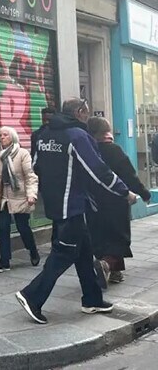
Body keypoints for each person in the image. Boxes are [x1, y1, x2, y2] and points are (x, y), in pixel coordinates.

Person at [15, 98, 138, 324]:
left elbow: (36, 166)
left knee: (83, 251)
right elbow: (99, 171)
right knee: (63, 254)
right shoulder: (77, 136)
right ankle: (32, 296)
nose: (88, 118)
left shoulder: (43, 135)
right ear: (79, 112)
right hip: (72, 205)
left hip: (56, 203)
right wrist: (125, 192)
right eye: (87, 112)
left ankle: (92, 299)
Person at [87, 116, 151, 284]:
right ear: (106, 132)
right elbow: (129, 175)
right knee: (118, 238)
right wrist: (144, 192)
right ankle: (107, 265)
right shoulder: (113, 150)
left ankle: (114, 272)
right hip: (115, 201)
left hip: (92, 201)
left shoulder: (87, 151)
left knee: (100, 235)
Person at [0, 126, 40, 272]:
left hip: (19, 195)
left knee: (23, 227)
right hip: (3, 196)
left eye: (5, 135)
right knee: (3, 228)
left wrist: (31, 194)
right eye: (0, 134)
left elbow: (30, 176)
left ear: (13, 137)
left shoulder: (22, 153)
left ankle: (33, 250)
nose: (2, 137)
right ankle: (4, 261)